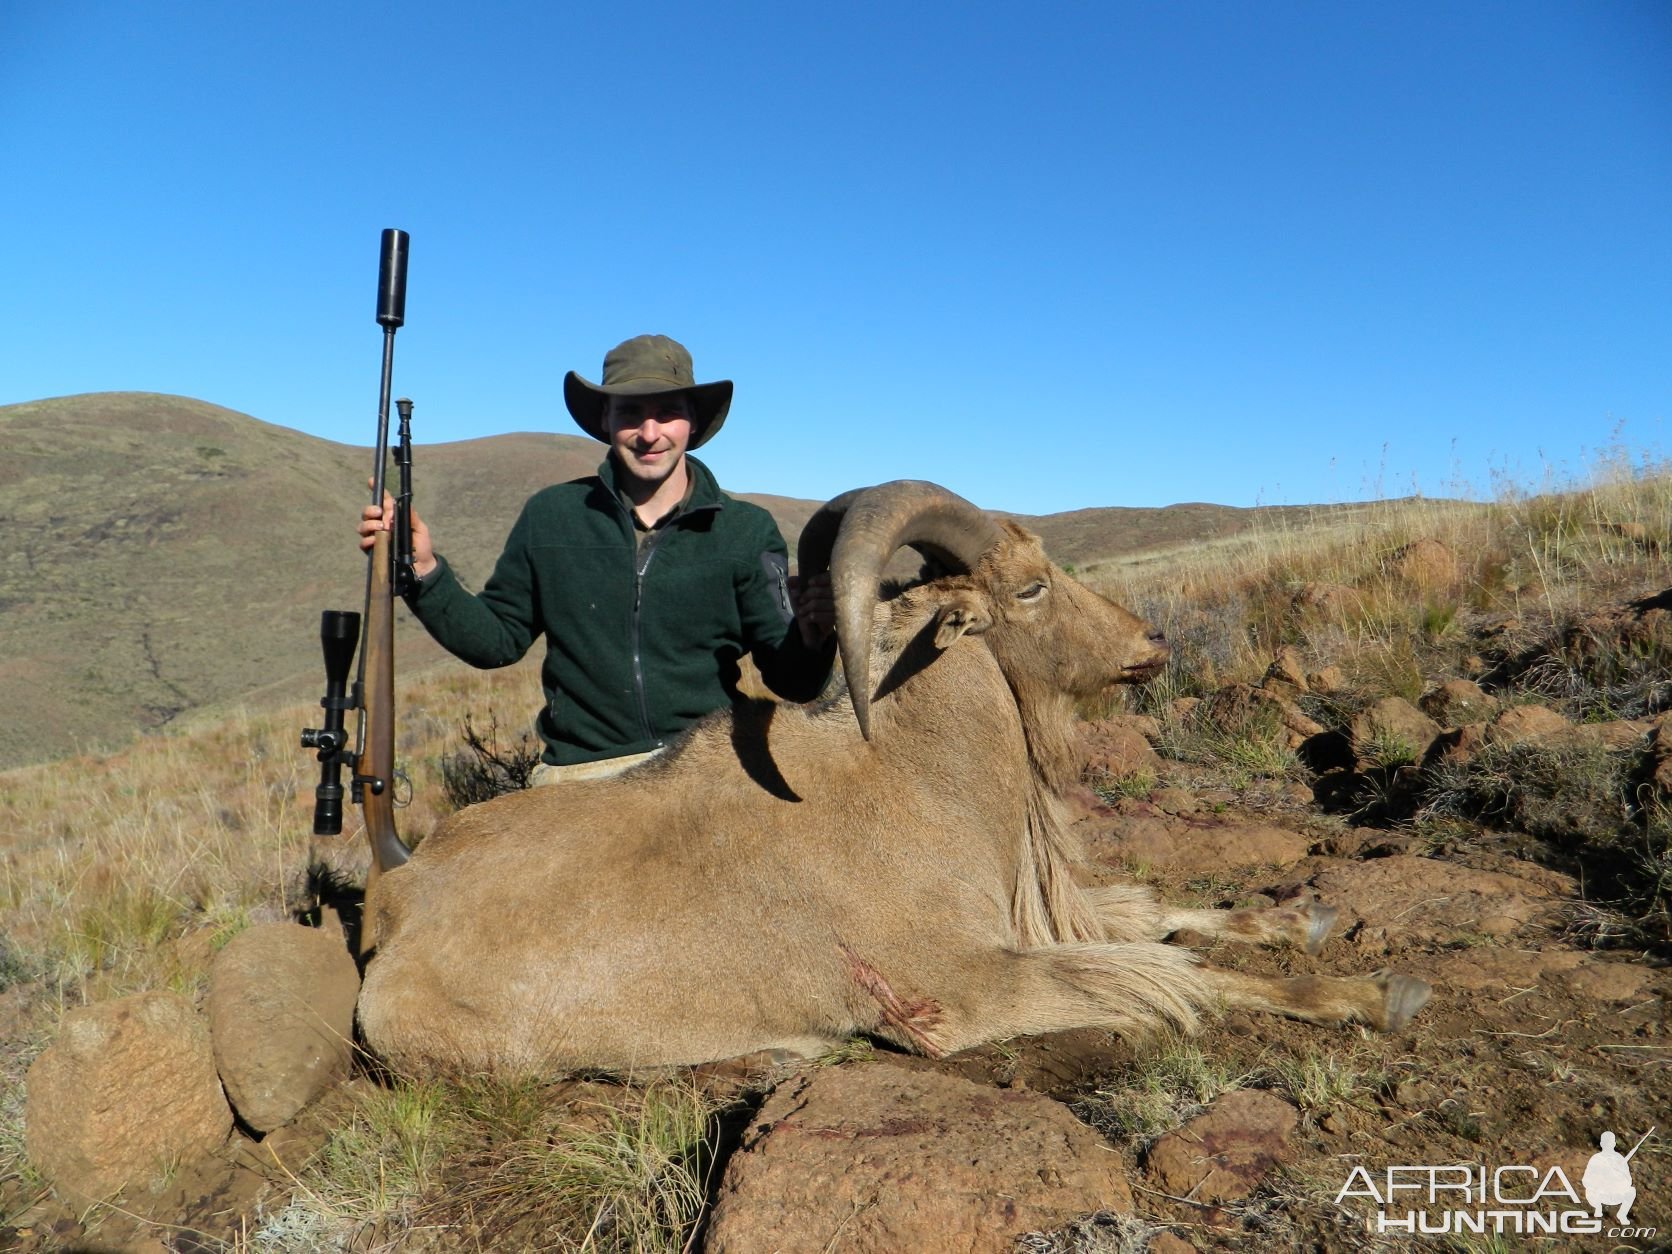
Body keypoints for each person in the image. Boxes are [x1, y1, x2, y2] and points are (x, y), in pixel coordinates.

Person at [359, 333, 835, 783]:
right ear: (605, 419)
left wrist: (812, 640)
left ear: (693, 420)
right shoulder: (552, 515)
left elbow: (793, 681)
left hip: (707, 771)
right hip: (581, 776)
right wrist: (424, 570)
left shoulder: (746, 530)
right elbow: (496, 641)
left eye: (668, 412)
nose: (650, 433)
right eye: (630, 413)